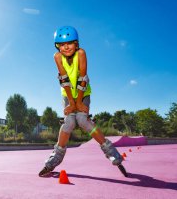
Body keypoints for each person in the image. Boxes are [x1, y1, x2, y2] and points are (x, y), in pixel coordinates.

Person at [39, 26, 123, 177]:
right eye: (62, 45)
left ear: (76, 44)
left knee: (82, 120)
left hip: (83, 92)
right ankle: (56, 157)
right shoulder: (57, 57)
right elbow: (64, 80)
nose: (66, 47)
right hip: (67, 94)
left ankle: (111, 151)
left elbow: (83, 78)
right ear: (57, 46)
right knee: (69, 123)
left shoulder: (81, 53)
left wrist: (79, 102)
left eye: (69, 43)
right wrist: (71, 103)